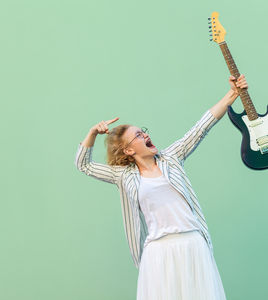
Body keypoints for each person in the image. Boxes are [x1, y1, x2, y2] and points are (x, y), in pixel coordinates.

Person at [75, 75, 248, 300]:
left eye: (143, 130)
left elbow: (201, 127)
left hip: (192, 245)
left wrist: (233, 94)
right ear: (128, 150)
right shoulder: (123, 176)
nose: (145, 134)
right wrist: (92, 133)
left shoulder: (172, 157)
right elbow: (84, 165)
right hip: (158, 254)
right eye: (138, 135)